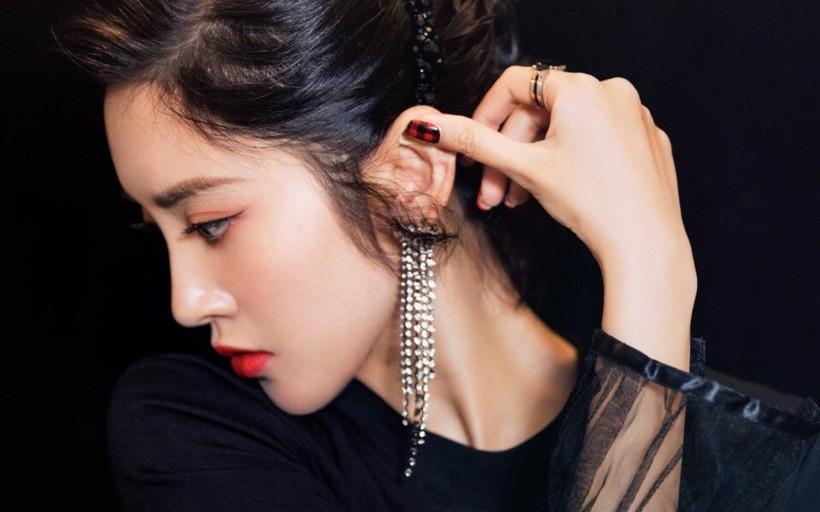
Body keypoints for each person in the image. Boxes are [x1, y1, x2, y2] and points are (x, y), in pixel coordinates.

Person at [50, 0, 818, 510]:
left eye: (211, 224)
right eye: (157, 230)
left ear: (411, 177)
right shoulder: (194, 432)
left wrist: (651, 267)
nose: (186, 302)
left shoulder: (769, 470)